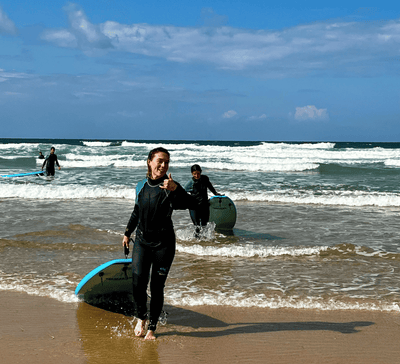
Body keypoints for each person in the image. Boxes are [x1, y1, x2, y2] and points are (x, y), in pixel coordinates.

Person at [122, 147, 196, 340]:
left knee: (156, 287)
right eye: (160, 161)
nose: (163, 166)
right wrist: (127, 233)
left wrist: (176, 189)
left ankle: (152, 329)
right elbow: (137, 211)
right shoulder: (140, 186)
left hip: (163, 244)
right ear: (149, 161)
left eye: (166, 162)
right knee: (138, 282)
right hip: (142, 241)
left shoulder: (169, 187)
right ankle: (141, 317)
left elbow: (191, 203)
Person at [184, 164, 220, 237]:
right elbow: (183, 193)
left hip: (204, 205)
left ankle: (204, 243)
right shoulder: (190, 183)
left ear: (201, 172)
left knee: (204, 225)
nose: (197, 176)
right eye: (194, 174)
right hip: (194, 207)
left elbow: (209, 186)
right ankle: (196, 243)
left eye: (198, 173)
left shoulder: (205, 179)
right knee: (197, 226)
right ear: (192, 174)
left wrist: (215, 193)